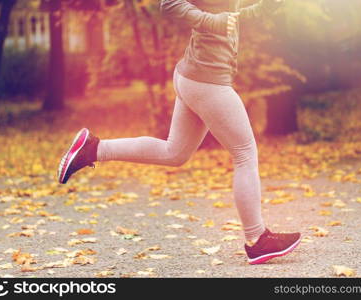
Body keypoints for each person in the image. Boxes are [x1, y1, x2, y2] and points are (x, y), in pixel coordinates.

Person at [57, 0, 301, 265]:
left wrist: (265, 8)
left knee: (174, 152)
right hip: (207, 80)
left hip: (195, 76)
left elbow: (230, 16)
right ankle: (257, 238)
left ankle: (93, 149)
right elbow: (170, 3)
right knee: (244, 153)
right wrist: (211, 21)